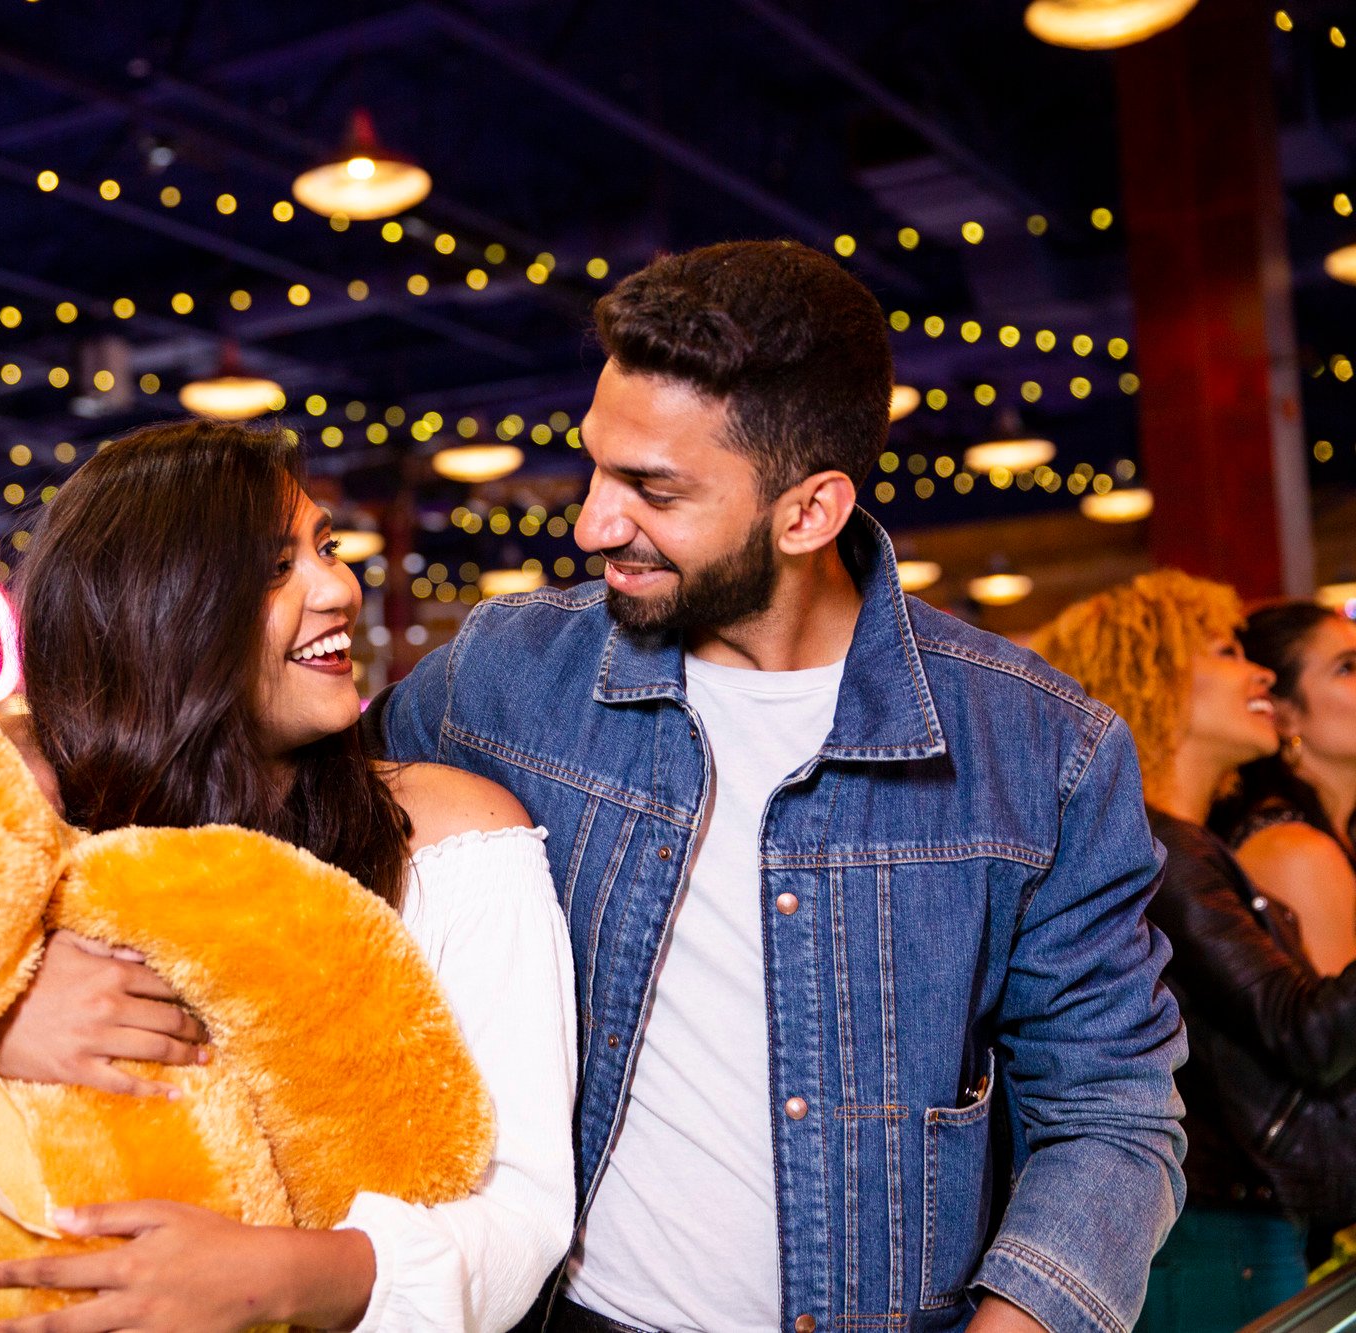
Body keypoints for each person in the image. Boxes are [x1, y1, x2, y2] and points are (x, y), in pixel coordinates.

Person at [364, 241, 1187, 1333]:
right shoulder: (504, 676)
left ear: (809, 512)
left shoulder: (1039, 749)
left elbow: (1109, 1110)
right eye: (597, 468)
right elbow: (276, 824)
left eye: (652, 489)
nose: (590, 523)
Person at [0, 420, 579, 1333]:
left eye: (325, 547)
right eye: (271, 570)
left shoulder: (450, 841)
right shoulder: (27, 834)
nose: (336, 588)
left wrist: (277, 1277)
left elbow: (520, 1219)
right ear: (155, 614)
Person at [1038, 572, 1356, 1329]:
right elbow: (1306, 1031)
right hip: (1213, 1234)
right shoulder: (1158, 850)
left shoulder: (1183, 845)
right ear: (1150, 674)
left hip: (1223, 1226)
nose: (1257, 674)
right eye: (1224, 651)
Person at [1211, 601, 1356, 975]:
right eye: (1347, 668)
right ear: (1284, 713)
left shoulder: (1331, 828)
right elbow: (1338, 1029)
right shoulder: (1296, 854)